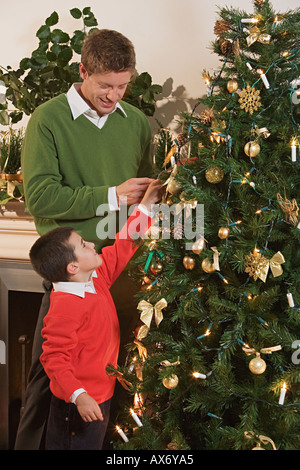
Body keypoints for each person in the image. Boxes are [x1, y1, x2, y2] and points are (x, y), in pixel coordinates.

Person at [15, 29, 155, 450]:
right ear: (82, 71)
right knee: (52, 377)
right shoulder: (48, 119)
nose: (114, 96)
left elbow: (145, 197)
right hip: (74, 273)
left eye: (123, 85)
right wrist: (112, 194)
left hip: (125, 269)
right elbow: (38, 196)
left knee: (124, 377)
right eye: (105, 86)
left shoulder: (136, 124)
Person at [28, 180, 162, 450]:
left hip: (102, 395)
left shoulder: (94, 279)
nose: (91, 242)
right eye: (83, 244)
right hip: (77, 409)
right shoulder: (65, 307)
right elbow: (53, 358)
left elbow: (124, 244)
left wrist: (147, 206)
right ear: (73, 266)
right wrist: (80, 396)